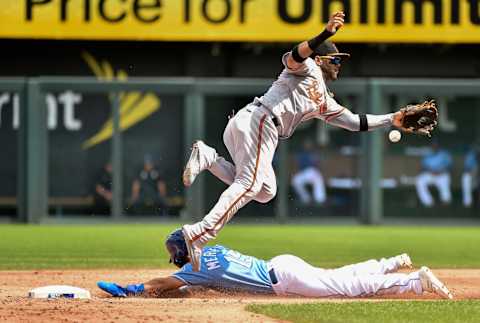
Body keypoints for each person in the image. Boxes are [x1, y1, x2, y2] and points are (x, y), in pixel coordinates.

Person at [181, 12, 427, 271]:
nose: (338, 64)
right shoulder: (306, 67)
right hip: (261, 120)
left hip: (252, 125)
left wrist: (392, 119)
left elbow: (355, 122)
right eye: (334, 59)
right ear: (320, 59)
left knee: (265, 191)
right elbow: (295, 55)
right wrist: (325, 34)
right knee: (250, 183)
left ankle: (208, 158)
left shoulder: (324, 101)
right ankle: (198, 235)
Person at [97, 229, 453, 299]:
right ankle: (389, 263)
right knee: (335, 277)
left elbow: (165, 283)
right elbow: (187, 283)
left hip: (282, 278)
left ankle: (415, 282)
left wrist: (132, 290)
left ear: (179, 254)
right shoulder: (210, 254)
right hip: (281, 264)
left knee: (344, 289)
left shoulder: (194, 268)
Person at [415, 143, 453, 207]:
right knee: (420, 180)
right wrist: (430, 171)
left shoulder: (445, 154)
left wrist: (441, 171)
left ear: (439, 146)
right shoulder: (428, 154)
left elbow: (450, 167)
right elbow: (423, 167)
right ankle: (428, 202)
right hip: (430, 174)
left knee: (445, 180)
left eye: (436, 146)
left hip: (442, 174)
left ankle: (446, 201)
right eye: (433, 146)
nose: (434, 147)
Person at [291, 139, 327, 205]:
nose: (307, 145)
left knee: (318, 179)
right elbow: (296, 165)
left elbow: (319, 164)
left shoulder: (314, 152)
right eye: (306, 144)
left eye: (309, 144)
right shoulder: (301, 154)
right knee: (295, 181)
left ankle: (320, 201)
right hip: (304, 173)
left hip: (312, 171)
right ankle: (306, 198)